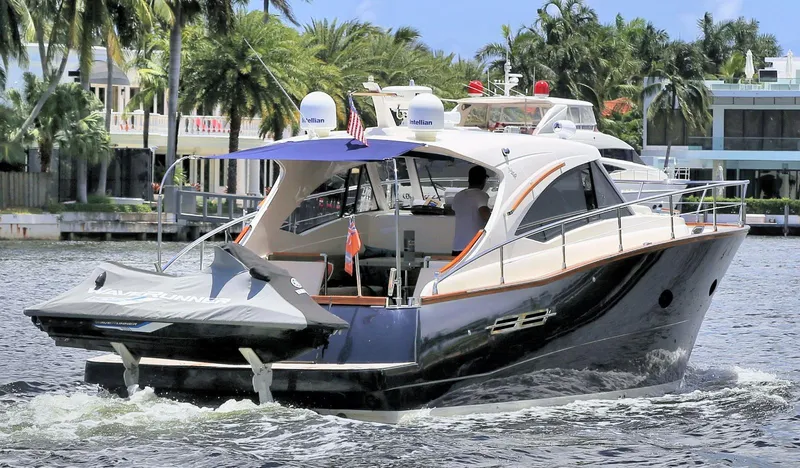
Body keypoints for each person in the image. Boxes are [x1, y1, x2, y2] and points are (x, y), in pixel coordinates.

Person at [451, 165, 491, 256]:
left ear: (469, 179)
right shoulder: (482, 196)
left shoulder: (458, 196)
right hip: (474, 247)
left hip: (457, 246)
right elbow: (485, 215)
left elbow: (455, 210)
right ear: (483, 180)